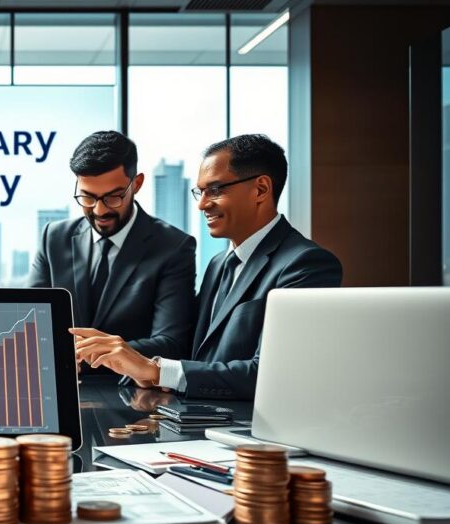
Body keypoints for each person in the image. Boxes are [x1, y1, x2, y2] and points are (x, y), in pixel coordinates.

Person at [74, 134, 343, 400]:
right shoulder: (219, 264)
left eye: (215, 190)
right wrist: (126, 360)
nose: (202, 204)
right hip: (195, 418)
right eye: (200, 192)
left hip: (250, 425)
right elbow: (194, 352)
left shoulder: (306, 265)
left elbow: (272, 374)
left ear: (261, 189)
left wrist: (156, 371)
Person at [29, 130, 196, 373]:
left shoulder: (174, 247)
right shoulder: (54, 237)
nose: (99, 210)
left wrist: (82, 355)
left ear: (136, 184)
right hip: (59, 384)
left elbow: (171, 344)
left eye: (113, 197)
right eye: (87, 197)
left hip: (130, 390)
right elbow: (33, 322)